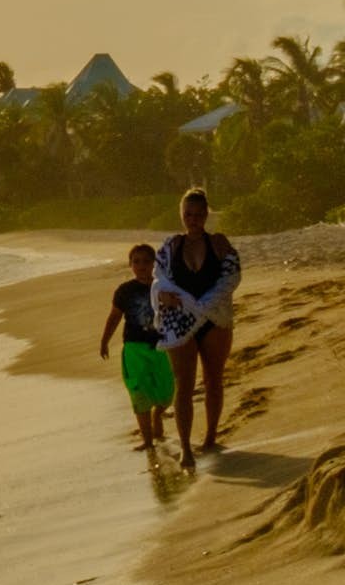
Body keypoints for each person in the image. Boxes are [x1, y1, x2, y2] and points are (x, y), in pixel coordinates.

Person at [153, 188, 240, 469]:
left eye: (198, 214)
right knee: (184, 385)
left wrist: (203, 306)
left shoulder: (218, 243)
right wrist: (160, 296)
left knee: (213, 378)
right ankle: (186, 449)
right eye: (188, 214)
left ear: (206, 214)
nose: (193, 219)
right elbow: (158, 281)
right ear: (182, 215)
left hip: (215, 319)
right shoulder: (170, 247)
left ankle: (211, 437)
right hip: (179, 321)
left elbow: (232, 277)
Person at [98, 242, 173, 451]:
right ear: (130, 265)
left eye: (146, 261)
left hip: (162, 346)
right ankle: (147, 441)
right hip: (134, 348)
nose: (141, 266)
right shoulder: (125, 291)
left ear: (154, 263)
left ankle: (158, 415)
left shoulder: (163, 286)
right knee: (138, 392)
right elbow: (114, 318)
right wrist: (104, 341)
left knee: (167, 393)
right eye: (136, 262)